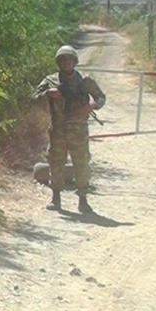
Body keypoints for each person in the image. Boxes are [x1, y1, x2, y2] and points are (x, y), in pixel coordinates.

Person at [34, 45, 106, 214]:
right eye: (63, 60)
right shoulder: (50, 80)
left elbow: (101, 98)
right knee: (56, 162)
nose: (67, 63)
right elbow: (33, 97)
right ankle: (56, 197)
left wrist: (91, 106)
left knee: (81, 163)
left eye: (70, 60)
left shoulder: (85, 81)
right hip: (58, 129)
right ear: (59, 62)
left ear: (75, 61)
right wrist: (48, 94)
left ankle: (83, 199)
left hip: (79, 130)